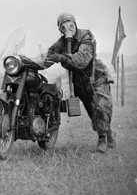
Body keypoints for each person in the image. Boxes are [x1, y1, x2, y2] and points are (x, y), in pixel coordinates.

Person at [44, 12, 116, 153]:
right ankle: (109, 134)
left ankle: (102, 139)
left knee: (101, 106)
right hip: (80, 82)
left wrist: (62, 58)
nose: (68, 29)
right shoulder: (61, 44)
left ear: (75, 24)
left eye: (70, 24)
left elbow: (82, 60)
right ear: (60, 29)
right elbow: (48, 57)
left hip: (96, 76)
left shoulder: (85, 36)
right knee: (93, 111)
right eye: (63, 26)